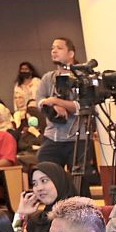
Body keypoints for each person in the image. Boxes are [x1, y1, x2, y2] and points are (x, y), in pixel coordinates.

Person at [35, 37, 83, 169]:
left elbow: (81, 107)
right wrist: (54, 105)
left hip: (77, 139)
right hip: (52, 137)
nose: (54, 51)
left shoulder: (81, 78)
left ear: (71, 53)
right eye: (52, 48)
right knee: (46, 171)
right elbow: (39, 102)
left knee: (79, 180)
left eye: (59, 48)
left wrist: (55, 100)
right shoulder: (48, 77)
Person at [14, 161, 73, 232]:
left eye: (44, 181)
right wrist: (21, 215)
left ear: (58, 181)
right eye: (34, 183)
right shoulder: (36, 219)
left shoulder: (74, 215)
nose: (39, 188)